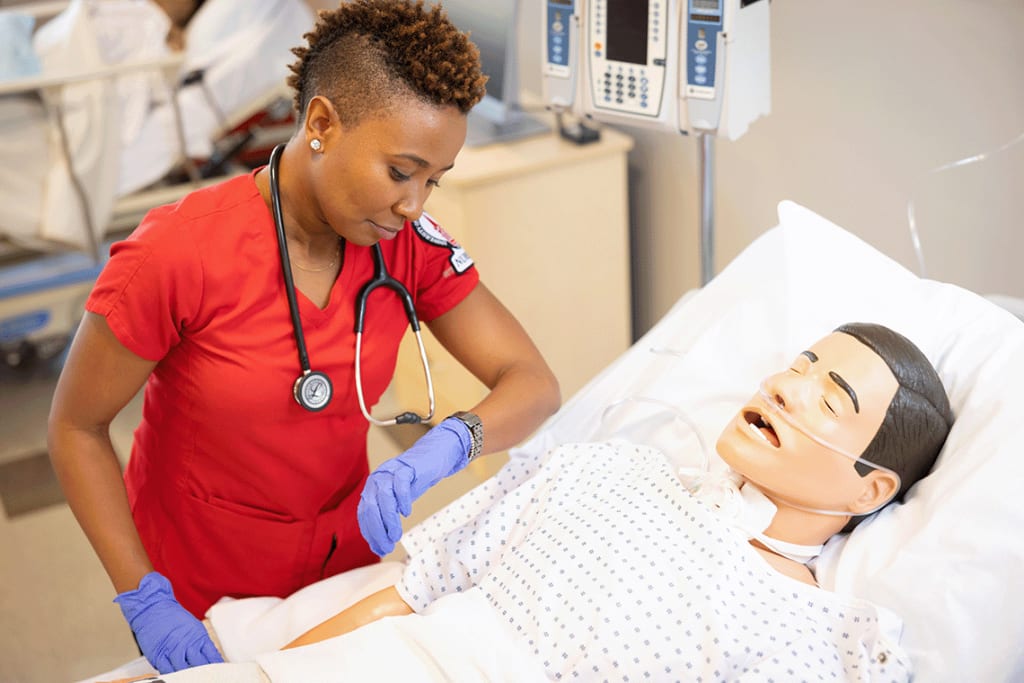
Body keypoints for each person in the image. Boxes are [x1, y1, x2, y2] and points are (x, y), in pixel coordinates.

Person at [47, 0, 560, 675]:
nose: (416, 205)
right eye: (401, 172)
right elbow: (76, 427)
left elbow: (532, 381)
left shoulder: (406, 248)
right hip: (197, 582)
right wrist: (143, 596)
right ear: (321, 122)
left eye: (435, 180)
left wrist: (448, 443)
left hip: (338, 572)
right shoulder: (178, 252)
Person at [271, 322, 953, 680]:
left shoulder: (808, 634)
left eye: (829, 398)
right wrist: (262, 670)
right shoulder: (610, 469)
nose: (785, 387)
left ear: (872, 488)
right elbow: (414, 590)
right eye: (798, 365)